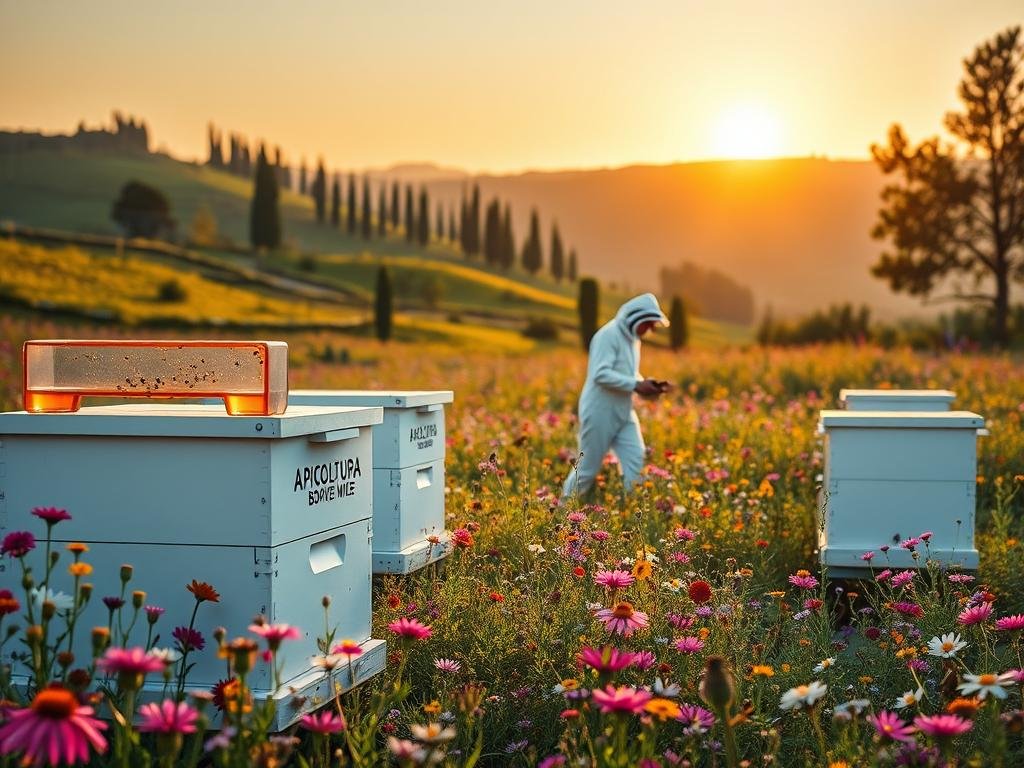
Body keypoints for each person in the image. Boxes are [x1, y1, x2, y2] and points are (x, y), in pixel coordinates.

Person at [561, 292, 670, 500]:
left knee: (636, 461)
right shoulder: (608, 335)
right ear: (636, 317)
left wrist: (648, 385)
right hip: (599, 411)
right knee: (586, 471)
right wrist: (637, 384)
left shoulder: (634, 340)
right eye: (649, 323)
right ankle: (561, 515)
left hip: (624, 410)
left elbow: (627, 374)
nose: (652, 330)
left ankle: (631, 512)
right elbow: (600, 374)